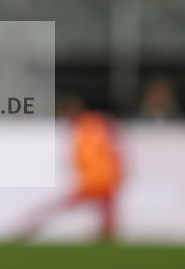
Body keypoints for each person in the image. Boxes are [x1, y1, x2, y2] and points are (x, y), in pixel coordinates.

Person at [17, 96, 122, 240]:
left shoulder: (90, 124)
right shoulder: (85, 126)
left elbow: (99, 152)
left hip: (99, 180)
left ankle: (32, 223)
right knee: (103, 209)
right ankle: (32, 223)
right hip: (99, 179)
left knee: (96, 208)